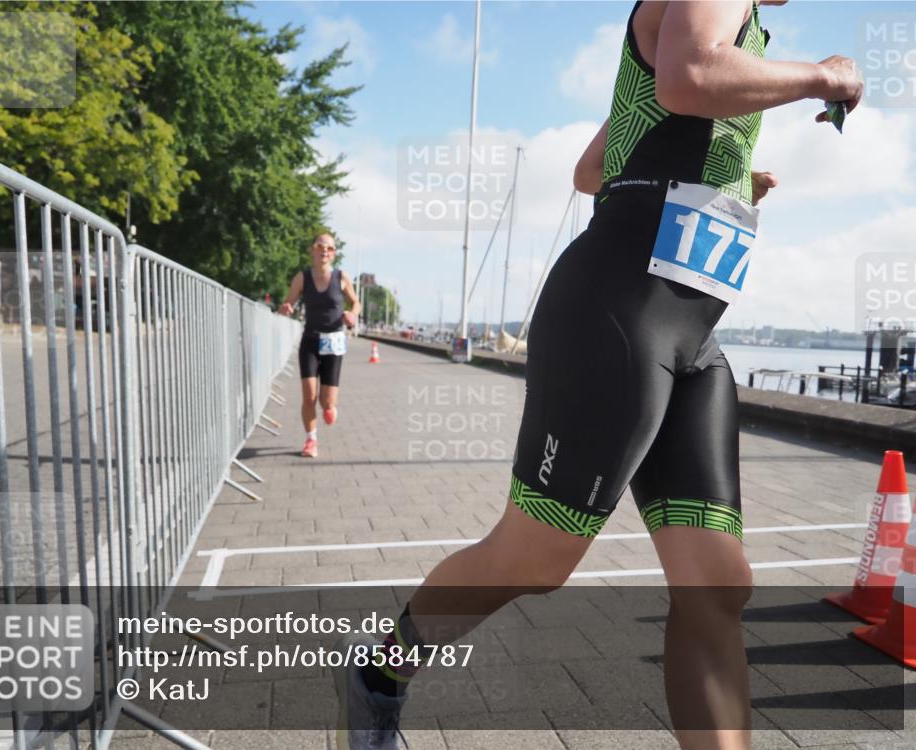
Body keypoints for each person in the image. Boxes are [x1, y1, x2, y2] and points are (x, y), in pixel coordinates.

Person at [334, 2, 864, 749]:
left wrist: (729, 178)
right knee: (536, 557)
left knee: (717, 585)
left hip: (693, 338)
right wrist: (825, 76)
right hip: (617, 316)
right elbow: (690, 77)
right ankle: (380, 675)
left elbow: (592, 170)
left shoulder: (738, 28)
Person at [278, 233, 360, 458]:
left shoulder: (341, 277)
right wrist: (285, 308)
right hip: (311, 339)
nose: (325, 251)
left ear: (334, 253)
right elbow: (288, 303)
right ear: (312, 250)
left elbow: (356, 302)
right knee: (309, 396)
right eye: (320, 246)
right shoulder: (302, 278)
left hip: (334, 340)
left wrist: (352, 315)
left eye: (330, 248)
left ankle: (330, 407)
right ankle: (311, 440)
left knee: (327, 402)